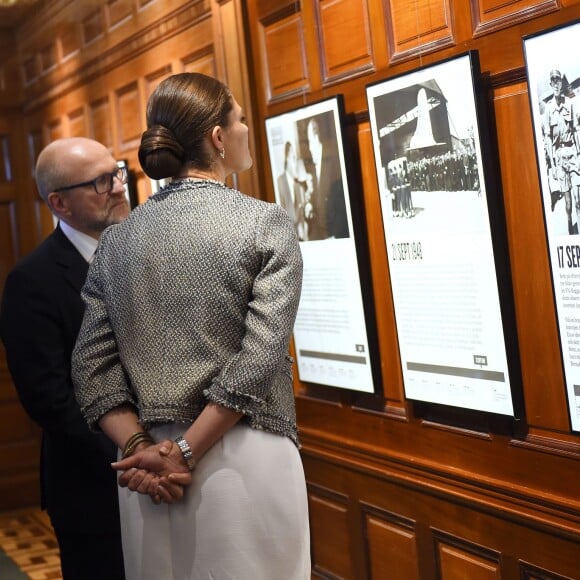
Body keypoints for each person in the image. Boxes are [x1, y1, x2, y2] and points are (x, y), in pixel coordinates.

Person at [71, 72, 310, 580]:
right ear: (218, 138)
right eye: (241, 118)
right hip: (243, 452)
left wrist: (141, 449)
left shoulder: (117, 240)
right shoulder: (264, 222)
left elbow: (91, 368)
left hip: (144, 472)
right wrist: (182, 453)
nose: (247, 128)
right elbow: (260, 358)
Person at [0, 137, 130, 580]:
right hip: (93, 485)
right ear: (59, 203)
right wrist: (135, 453)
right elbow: (50, 400)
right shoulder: (30, 282)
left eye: (117, 172)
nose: (117, 186)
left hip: (170, 468)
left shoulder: (144, 254)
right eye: (99, 181)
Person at [542, 68, 580, 232]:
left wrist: (579, 155)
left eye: (558, 81)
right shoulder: (548, 110)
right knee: (568, 203)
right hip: (559, 158)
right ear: (550, 84)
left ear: (561, 84)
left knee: (578, 198)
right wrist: (554, 165)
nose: (556, 84)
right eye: (553, 81)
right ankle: (570, 226)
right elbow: (548, 139)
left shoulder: (570, 104)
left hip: (572, 153)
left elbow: (576, 130)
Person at [304, 116, 349, 240]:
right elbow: (317, 201)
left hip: (334, 236)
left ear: (317, 137)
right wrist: (309, 206)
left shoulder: (334, 161)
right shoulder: (312, 168)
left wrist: (335, 235)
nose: (309, 148)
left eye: (309, 141)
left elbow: (342, 202)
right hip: (321, 236)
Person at [277, 140, 307, 240]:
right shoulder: (279, 182)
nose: (297, 164)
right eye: (294, 158)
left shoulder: (298, 186)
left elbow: (302, 220)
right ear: (287, 158)